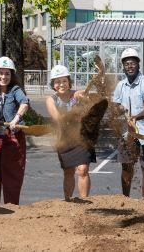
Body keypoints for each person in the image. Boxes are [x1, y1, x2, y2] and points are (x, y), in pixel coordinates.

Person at [0, 56, 29, 207]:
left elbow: (24, 102)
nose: (4, 77)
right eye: (0, 73)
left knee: (12, 175)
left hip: (14, 138)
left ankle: (11, 209)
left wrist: (16, 119)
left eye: (7, 73)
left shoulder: (16, 90)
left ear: (12, 75)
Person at [112, 48, 144, 200]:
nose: (129, 66)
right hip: (127, 134)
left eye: (132, 63)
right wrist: (118, 108)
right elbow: (115, 108)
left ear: (138, 64)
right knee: (126, 167)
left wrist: (135, 117)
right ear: (123, 66)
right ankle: (126, 200)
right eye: (126, 64)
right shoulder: (120, 86)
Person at [45, 65, 95, 200]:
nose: (61, 84)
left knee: (83, 170)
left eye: (64, 81)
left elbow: (83, 96)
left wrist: (84, 97)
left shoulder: (76, 94)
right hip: (64, 140)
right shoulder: (51, 100)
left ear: (69, 81)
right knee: (68, 172)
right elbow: (58, 118)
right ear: (53, 84)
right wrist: (73, 113)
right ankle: (68, 202)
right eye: (57, 81)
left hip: (82, 138)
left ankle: (84, 202)